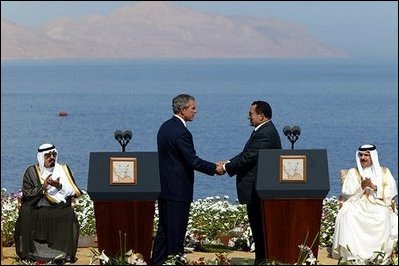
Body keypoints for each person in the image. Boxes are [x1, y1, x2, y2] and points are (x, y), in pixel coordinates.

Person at [151, 94, 225, 265]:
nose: (195, 111)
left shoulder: (165, 127)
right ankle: (176, 261)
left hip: (165, 188)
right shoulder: (181, 132)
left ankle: (157, 261)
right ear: (183, 110)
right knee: (176, 232)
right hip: (178, 190)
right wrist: (215, 168)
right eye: (193, 108)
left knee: (164, 231)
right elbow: (192, 160)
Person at [223, 100, 282, 264]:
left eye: (251, 114)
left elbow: (249, 157)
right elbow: (246, 153)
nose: (248, 117)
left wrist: (226, 167)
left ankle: (262, 260)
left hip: (259, 189)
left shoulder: (265, 133)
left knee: (260, 227)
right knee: (257, 227)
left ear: (261, 116)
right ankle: (261, 259)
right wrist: (228, 162)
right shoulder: (263, 130)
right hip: (258, 188)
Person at [14, 143, 82, 263]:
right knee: (27, 213)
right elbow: (27, 193)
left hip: (59, 207)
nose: (52, 157)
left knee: (68, 214)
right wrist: (43, 187)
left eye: (54, 154)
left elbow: (73, 192)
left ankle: (61, 254)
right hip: (37, 206)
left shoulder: (63, 170)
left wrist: (59, 186)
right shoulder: (31, 172)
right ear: (41, 157)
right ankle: (33, 254)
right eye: (48, 156)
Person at [332, 144, 398, 264]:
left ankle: (379, 254)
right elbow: (346, 194)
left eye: (366, 155)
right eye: (361, 155)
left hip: (378, 204)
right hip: (357, 203)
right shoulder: (353, 172)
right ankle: (352, 253)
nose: (363, 158)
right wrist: (361, 187)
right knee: (349, 215)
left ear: (373, 156)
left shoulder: (384, 172)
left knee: (383, 216)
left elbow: (391, 193)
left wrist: (375, 188)